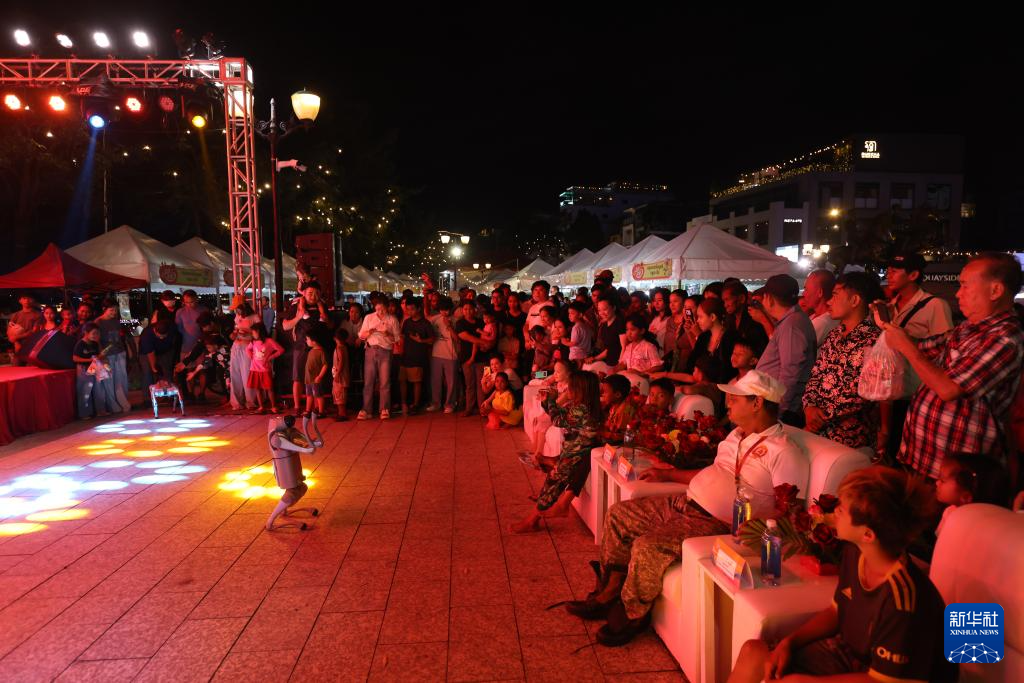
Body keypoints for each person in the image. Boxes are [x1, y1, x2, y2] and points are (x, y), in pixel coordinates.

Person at [565, 371, 808, 646]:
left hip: (716, 521)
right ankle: (608, 592)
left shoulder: (783, 451)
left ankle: (633, 613)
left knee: (648, 546)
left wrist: (754, 528)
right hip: (686, 501)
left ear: (757, 403)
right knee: (619, 515)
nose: (728, 403)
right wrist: (667, 475)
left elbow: (790, 511)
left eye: (735, 398)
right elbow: (714, 472)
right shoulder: (735, 435)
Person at [728, 467, 957, 683]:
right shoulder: (856, 553)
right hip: (850, 655)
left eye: (843, 509)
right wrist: (789, 642)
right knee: (753, 652)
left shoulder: (902, 601)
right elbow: (837, 611)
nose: (835, 510)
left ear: (868, 534)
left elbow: (885, 680)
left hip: (883, 675)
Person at [883, 253, 1024, 480]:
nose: (958, 294)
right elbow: (923, 347)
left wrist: (905, 345)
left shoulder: (1005, 338)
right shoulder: (967, 328)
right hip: (924, 456)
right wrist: (891, 329)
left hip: (956, 472)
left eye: (965, 286)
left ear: (995, 291)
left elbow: (949, 389)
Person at [878, 252, 955, 462]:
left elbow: (945, 351)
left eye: (895, 271)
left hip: (915, 395)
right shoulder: (889, 306)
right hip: (888, 395)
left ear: (913, 275)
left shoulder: (935, 305)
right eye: (889, 270)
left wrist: (907, 341)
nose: (889, 274)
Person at [511, 370, 602, 533]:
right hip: (574, 452)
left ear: (580, 390)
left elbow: (558, 420)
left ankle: (533, 520)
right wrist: (547, 402)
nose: (567, 391)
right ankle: (534, 518)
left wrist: (551, 401)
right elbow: (560, 415)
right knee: (552, 483)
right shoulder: (583, 406)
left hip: (577, 455)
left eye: (570, 388)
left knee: (553, 483)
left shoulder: (582, 409)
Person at [802, 272, 884, 449]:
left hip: (850, 438)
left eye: (835, 295)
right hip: (818, 431)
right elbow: (816, 374)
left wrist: (820, 417)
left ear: (854, 300)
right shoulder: (834, 335)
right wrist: (809, 406)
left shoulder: (874, 340)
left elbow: (863, 393)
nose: (829, 302)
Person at [755, 274, 817, 427]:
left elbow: (790, 372)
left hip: (784, 410)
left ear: (769, 299)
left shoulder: (791, 325)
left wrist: (778, 411)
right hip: (779, 405)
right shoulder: (791, 321)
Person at [934, 453, 1010, 537]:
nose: (937, 483)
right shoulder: (949, 511)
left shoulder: (973, 527)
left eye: (943, 480)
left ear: (965, 497)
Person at [283, 281, 330, 413]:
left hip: (317, 349)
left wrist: (326, 319)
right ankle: (297, 407)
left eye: (316, 293)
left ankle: (316, 407)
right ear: (303, 293)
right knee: (298, 377)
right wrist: (299, 316)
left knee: (316, 378)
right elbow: (285, 326)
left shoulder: (322, 306)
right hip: (301, 347)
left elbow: (331, 325)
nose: (313, 296)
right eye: (310, 293)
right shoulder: (296, 306)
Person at [357, 298, 401, 420]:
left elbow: (397, 338)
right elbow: (361, 335)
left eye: (382, 309)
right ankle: (367, 409)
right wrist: (369, 332)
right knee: (369, 381)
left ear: (387, 308)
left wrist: (388, 334)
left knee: (385, 381)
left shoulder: (392, 319)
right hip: (371, 349)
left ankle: (384, 409)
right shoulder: (369, 318)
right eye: (377, 309)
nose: (380, 312)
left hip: (385, 350)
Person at [399, 297, 434, 415]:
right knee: (403, 380)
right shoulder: (406, 322)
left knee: (416, 381)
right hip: (405, 356)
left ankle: (415, 404)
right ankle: (404, 403)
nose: (410, 312)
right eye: (408, 309)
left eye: (412, 309)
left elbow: (432, 339)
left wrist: (421, 340)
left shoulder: (425, 323)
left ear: (419, 309)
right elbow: (403, 337)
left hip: (418, 356)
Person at [95, 299, 131, 413]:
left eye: (115, 310)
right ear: (104, 309)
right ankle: (113, 406)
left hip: (119, 353)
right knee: (109, 381)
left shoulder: (116, 321)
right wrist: (102, 355)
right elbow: (96, 340)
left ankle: (124, 403)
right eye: (111, 310)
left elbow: (121, 337)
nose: (114, 312)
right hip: (107, 355)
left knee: (121, 379)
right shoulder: (98, 322)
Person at [427, 298, 459, 414]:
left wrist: (449, 326)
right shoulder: (434, 319)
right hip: (436, 353)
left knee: (451, 382)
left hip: (451, 355)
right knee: (435, 380)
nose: (445, 312)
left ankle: (450, 404)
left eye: (447, 310)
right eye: (442, 310)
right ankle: (436, 403)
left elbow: (457, 339)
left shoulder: (456, 320)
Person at [228, 297, 261, 412]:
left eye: (238, 308)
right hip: (236, 346)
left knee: (247, 374)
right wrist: (234, 333)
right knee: (235, 374)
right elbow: (234, 332)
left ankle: (251, 401)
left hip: (248, 346)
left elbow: (260, 333)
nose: (236, 311)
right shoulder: (237, 317)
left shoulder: (255, 317)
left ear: (243, 306)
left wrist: (248, 332)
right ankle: (237, 402)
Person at [721, 281, 769, 357]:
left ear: (741, 299)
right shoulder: (729, 321)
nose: (725, 305)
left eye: (727, 300)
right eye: (724, 301)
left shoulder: (754, 319)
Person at [246, 322, 284, 414]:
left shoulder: (269, 341)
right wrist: (250, 356)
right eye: (252, 332)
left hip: (265, 369)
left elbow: (281, 350)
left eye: (254, 332)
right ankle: (261, 406)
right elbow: (247, 349)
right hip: (254, 369)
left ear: (259, 331)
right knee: (257, 388)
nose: (252, 334)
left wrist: (270, 357)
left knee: (269, 388)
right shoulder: (253, 342)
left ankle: (273, 406)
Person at [455, 301, 485, 417]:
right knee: (469, 384)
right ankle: (469, 408)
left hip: (481, 357)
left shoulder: (481, 322)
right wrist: (482, 342)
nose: (468, 311)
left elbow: (485, 335)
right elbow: (464, 336)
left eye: (470, 309)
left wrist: (483, 342)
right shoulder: (460, 323)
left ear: (475, 310)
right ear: (462, 311)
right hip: (466, 358)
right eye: (465, 309)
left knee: (481, 384)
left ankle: (482, 408)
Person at [72, 323, 106, 419]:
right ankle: (85, 413)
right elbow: (75, 358)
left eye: (97, 333)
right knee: (85, 391)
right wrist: (89, 360)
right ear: (86, 333)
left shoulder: (94, 343)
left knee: (98, 389)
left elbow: (98, 355)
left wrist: (100, 357)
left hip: (94, 367)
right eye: (94, 333)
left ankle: (100, 411)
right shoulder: (80, 344)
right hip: (83, 368)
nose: (96, 336)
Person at [185, 334, 229, 402]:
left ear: (215, 346)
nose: (208, 349)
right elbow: (204, 363)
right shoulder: (214, 353)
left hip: (232, 371)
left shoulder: (225, 350)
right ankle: (230, 400)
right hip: (226, 372)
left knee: (230, 385)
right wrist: (193, 373)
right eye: (207, 348)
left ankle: (232, 400)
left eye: (209, 347)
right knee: (227, 385)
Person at [584, 297, 626, 369]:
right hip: (609, 363)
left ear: (613, 308)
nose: (602, 313)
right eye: (599, 310)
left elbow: (624, 347)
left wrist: (619, 365)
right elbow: (608, 350)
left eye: (605, 309)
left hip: (619, 364)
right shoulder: (604, 326)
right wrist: (594, 358)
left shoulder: (620, 323)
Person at [802, 269, 840, 346]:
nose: (803, 293)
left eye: (806, 289)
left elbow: (794, 347)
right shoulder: (815, 316)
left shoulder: (823, 322)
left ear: (820, 292)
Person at [139, 319, 180, 390]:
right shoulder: (146, 334)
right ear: (155, 330)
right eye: (159, 336)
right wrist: (154, 368)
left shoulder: (172, 328)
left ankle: (168, 392)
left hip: (164, 351)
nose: (161, 338)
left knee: (167, 371)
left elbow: (176, 343)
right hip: (146, 353)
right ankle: (148, 394)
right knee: (148, 373)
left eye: (164, 336)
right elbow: (150, 353)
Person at [304, 323, 329, 417]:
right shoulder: (311, 351)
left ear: (314, 341)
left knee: (318, 395)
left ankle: (321, 412)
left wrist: (320, 376)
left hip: (316, 379)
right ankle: (308, 411)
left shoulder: (321, 351)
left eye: (307, 339)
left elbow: (325, 365)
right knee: (309, 395)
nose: (306, 341)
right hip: (308, 379)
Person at [175, 290, 208, 362]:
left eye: (191, 302)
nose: (189, 304)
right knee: (186, 367)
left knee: (201, 367)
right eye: (186, 302)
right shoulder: (180, 312)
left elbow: (208, 330)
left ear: (196, 299)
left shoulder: (204, 310)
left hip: (201, 346)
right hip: (185, 347)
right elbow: (178, 330)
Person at [332, 327, 351, 420]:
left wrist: (337, 374)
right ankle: (340, 413)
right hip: (343, 376)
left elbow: (341, 362)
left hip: (340, 377)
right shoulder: (344, 347)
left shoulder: (339, 348)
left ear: (335, 338)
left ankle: (342, 414)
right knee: (339, 394)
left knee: (340, 395)